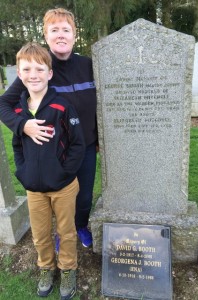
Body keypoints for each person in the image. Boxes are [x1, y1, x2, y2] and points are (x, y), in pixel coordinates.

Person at [0, 8, 97, 248]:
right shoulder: (39, 68)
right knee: (57, 194)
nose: (61, 35)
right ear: (46, 35)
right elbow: (3, 103)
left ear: (75, 35)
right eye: (55, 30)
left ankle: (81, 226)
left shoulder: (89, 65)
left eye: (66, 30)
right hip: (52, 149)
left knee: (83, 195)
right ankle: (61, 233)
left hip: (84, 146)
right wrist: (23, 125)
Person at [13, 42, 85, 299]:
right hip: (34, 188)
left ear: (49, 73)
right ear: (20, 74)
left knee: (65, 232)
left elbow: (77, 143)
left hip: (63, 186)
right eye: (27, 69)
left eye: (40, 69)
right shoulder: (19, 110)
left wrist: (64, 173)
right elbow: (17, 145)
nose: (34, 74)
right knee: (40, 233)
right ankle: (46, 267)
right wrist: (23, 172)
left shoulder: (62, 106)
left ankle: (68, 269)